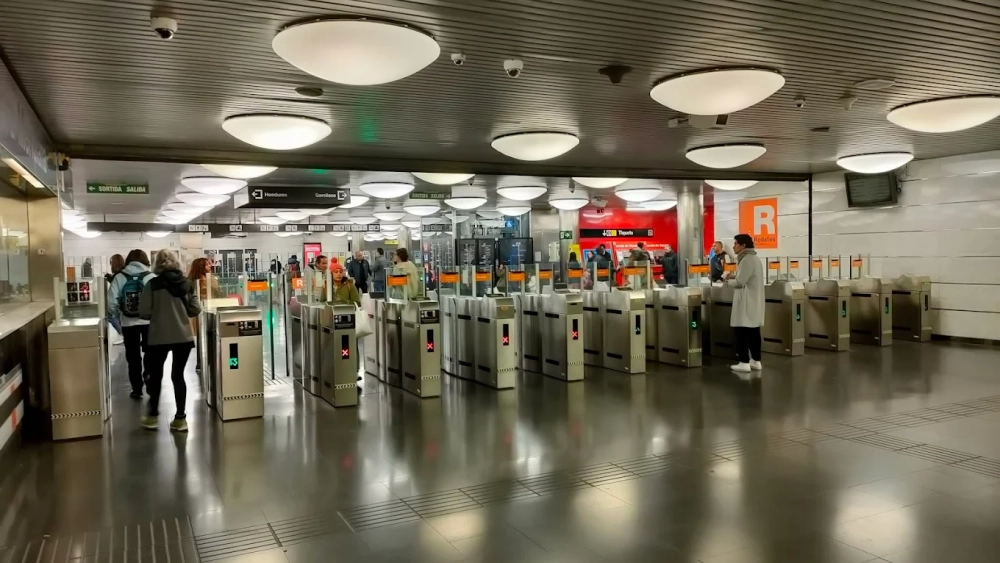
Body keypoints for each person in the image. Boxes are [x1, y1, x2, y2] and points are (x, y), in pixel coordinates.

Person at [139, 249, 202, 432]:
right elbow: (195, 309)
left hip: (158, 336)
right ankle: (180, 419)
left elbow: (144, 311)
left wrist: (159, 312)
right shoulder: (187, 283)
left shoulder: (152, 284)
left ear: (156, 264)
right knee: (178, 376)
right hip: (183, 336)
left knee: (156, 376)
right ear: (176, 262)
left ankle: (152, 417)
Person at [107, 249, 155, 398]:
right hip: (149, 322)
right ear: (145, 260)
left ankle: (136, 389)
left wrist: (118, 315)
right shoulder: (151, 277)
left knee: (133, 356)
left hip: (128, 323)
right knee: (150, 353)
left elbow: (111, 302)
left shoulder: (120, 277)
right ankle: (150, 379)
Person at [726, 234, 765, 374]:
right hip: (754, 302)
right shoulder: (755, 259)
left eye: (735, 244)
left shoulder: (746, 260)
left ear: (743, 245)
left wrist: (728, 281)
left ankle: (744, 362)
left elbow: (740, 282)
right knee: (754, 332)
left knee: (741, 332)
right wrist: (735, 276)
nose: (733, 247)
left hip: (746, 302)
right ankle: (756, 360)